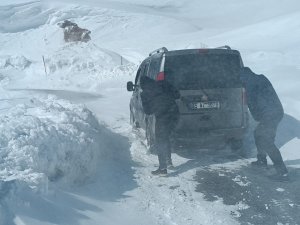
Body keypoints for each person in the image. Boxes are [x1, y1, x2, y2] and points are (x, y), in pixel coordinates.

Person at [240, 67, 288, 180]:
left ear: (243, 78)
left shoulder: (250, 85)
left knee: (266, 141)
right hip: (275, 111)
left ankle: (282, 172)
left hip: (270, 114)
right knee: (258, 134)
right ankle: (262, 160)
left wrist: (257, 116)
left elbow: (252, 105)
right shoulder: (260, 78)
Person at [140, 76, 178, 176]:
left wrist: (155, 104)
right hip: (175, 113)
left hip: (163, 116)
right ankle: (168, 161)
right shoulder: (163, 83)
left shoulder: (145, 93)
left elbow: (148, 111)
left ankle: (162, 169)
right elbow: (177, 95)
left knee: (160, 140)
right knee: (166, 137)